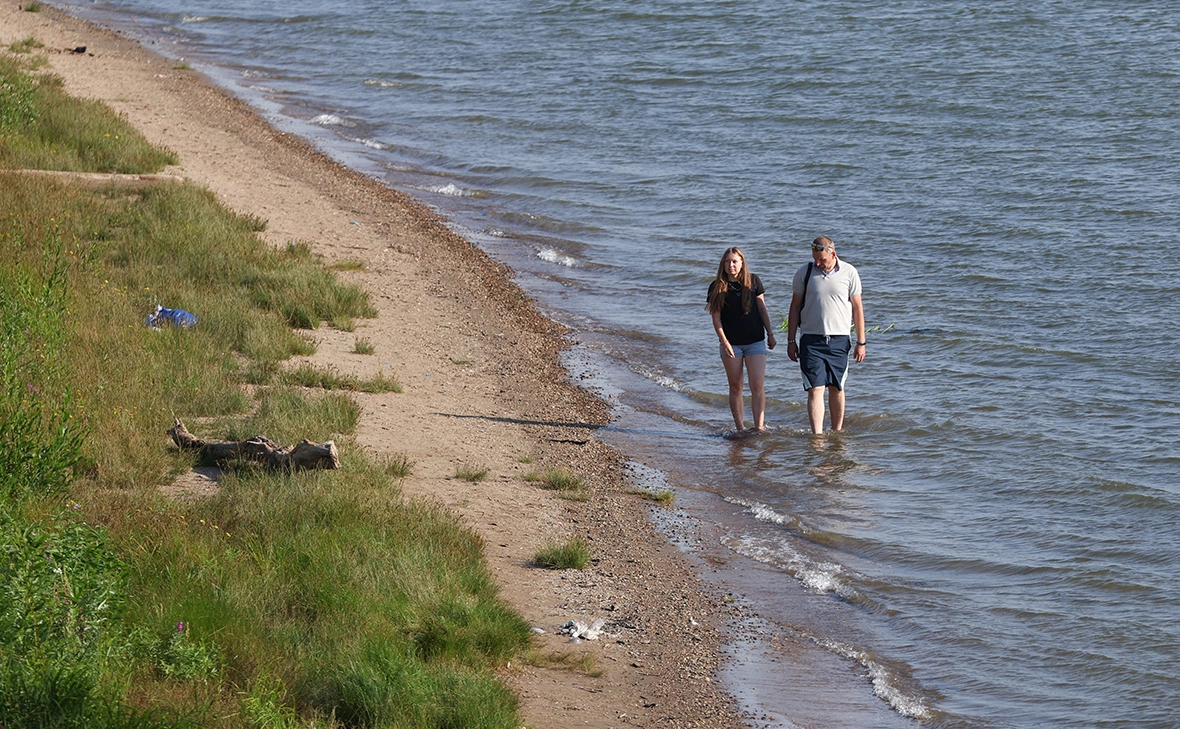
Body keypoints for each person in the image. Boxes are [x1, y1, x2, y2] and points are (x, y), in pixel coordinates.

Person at [785, 236, 866, 434]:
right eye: (815, 259)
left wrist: (861, 342)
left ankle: (837, 432)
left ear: (833, 254)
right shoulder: (804, 273)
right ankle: (817, 436)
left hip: (839, 340)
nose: (818, 263)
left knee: (837, 388)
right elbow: (795, 307)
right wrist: (791, 340)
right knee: (815, 388)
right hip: (811, 340)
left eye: (822, 260)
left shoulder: (850, 272)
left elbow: (857, 308)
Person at [707, 247, 777, 433]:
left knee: (757, 385)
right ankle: (740, 428)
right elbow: (716, 318)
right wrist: (724, 342)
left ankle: (759, 427)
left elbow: (762, 309)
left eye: (735, 261)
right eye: (728, 261)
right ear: (723, 264)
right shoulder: (717, 286)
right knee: (736, 386)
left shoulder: (753, 281)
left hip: (755, 341)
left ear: (742, 263)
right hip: (731, 344)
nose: (731, 265)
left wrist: (770, 333)